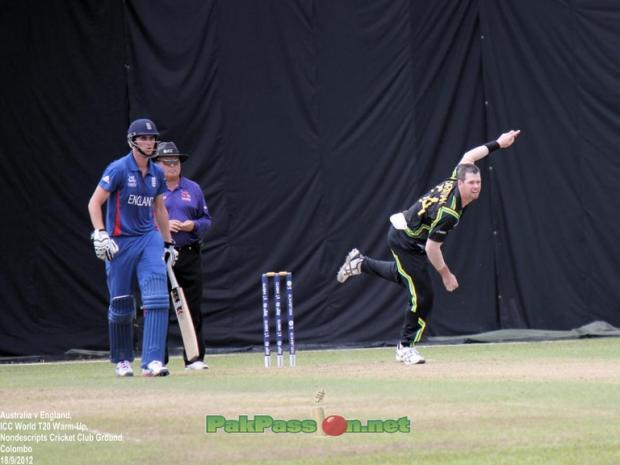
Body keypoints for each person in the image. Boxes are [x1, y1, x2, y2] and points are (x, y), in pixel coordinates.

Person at [337, 130, 521, 364]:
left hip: (409, 234)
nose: (476, 187)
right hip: (405, 239)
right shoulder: (449, 213)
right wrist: (446, 274)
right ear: (461, 183)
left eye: (479, 182)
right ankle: (404, 347)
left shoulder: (458, 176)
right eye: (472, 183)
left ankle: (360, 264)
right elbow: (432, 249)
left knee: (404, 275)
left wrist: (498, 143)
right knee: (423, 296)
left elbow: (469, 156)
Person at [88, 118, 178, 377]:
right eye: (144, 138)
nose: (149, 142)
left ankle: (152, 361)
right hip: (119, 242)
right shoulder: (118, 169)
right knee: (121, 303)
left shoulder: (157, 173)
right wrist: (101, 233)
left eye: (152, 138)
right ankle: (122, 359)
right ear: (133, 140)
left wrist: (168, 243)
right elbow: (94, 203)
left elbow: (159, 209)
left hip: (148, 238)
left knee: (157, 298)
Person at [154, 141, 212, 370]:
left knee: (192, 308)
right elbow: (142, 222)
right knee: (157, 307)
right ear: (157, 165)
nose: (172, 166)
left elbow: (206, 221)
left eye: (175, 162)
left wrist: (191, 226)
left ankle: (194, 358)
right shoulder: (151, 189)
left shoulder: (192, 189)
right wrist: (164, 227)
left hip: (188, 253)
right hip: (159, 255)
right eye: (167, 162)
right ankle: (157, 359)